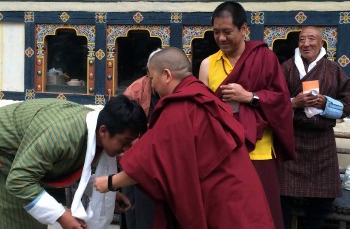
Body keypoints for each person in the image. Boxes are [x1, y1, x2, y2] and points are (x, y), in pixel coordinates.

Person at [94, 47, 275, 229]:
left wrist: (109, 182)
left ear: (166, 75)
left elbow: (148, 163)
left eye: (151, 78)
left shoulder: (180, 108)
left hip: (224, 204)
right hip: (242, 193)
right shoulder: (202, 95)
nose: (152, 85)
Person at [198, 1, 295, 229]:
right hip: (222, 153)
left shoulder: (265, 58)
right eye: (216, 32)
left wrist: (250, 96)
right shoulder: (207, 65)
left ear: (244, 29)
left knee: (262, 216)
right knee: (225, 216)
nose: (221, 38)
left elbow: (282, 102)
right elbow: (200, 111)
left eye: (227, 32)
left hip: (258, 151)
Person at [0, 95, 147, 229]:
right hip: (6, 160)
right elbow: (19, 181)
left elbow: (74, 169)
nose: (127, 151)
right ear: (104, 131)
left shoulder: (95, 127)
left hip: (21, 167)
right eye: (125, 143)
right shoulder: (62, 136)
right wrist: (61, 215)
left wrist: (106, 196)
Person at [279, 26, 350, 229]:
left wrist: (327, 103)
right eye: (302, 39)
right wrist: (294, 102)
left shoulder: (333, 69)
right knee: (282, 196)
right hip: (292, 140)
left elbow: (347, 101)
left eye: (312, 39)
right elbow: (273, 100)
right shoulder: (286, 68)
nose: (306, 43)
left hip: (322, 144)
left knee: (323, 201)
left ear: (321, 43)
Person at [121, 49, 161, 229]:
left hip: (162, 157)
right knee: (134, 205)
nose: (152, 80)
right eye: (149, 74)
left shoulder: (175, 89)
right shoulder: (135, 91)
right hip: (137, 154)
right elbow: (123, 126)